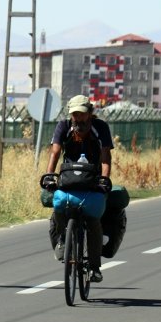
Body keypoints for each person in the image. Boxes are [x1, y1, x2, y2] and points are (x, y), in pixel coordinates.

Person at [44, 94, 114, 283]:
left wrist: (104, 180)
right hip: (68, 179)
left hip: (93, 180)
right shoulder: (63, 126)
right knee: (59, 207)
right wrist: (49, 175)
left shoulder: (100, 127)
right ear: (70, 115)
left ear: (90, 113)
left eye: (82, 114)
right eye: (75, 114)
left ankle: (94, 267)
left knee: (93, 220)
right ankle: (62, 239)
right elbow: (55, 152)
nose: (78, 118)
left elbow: (106, 157)